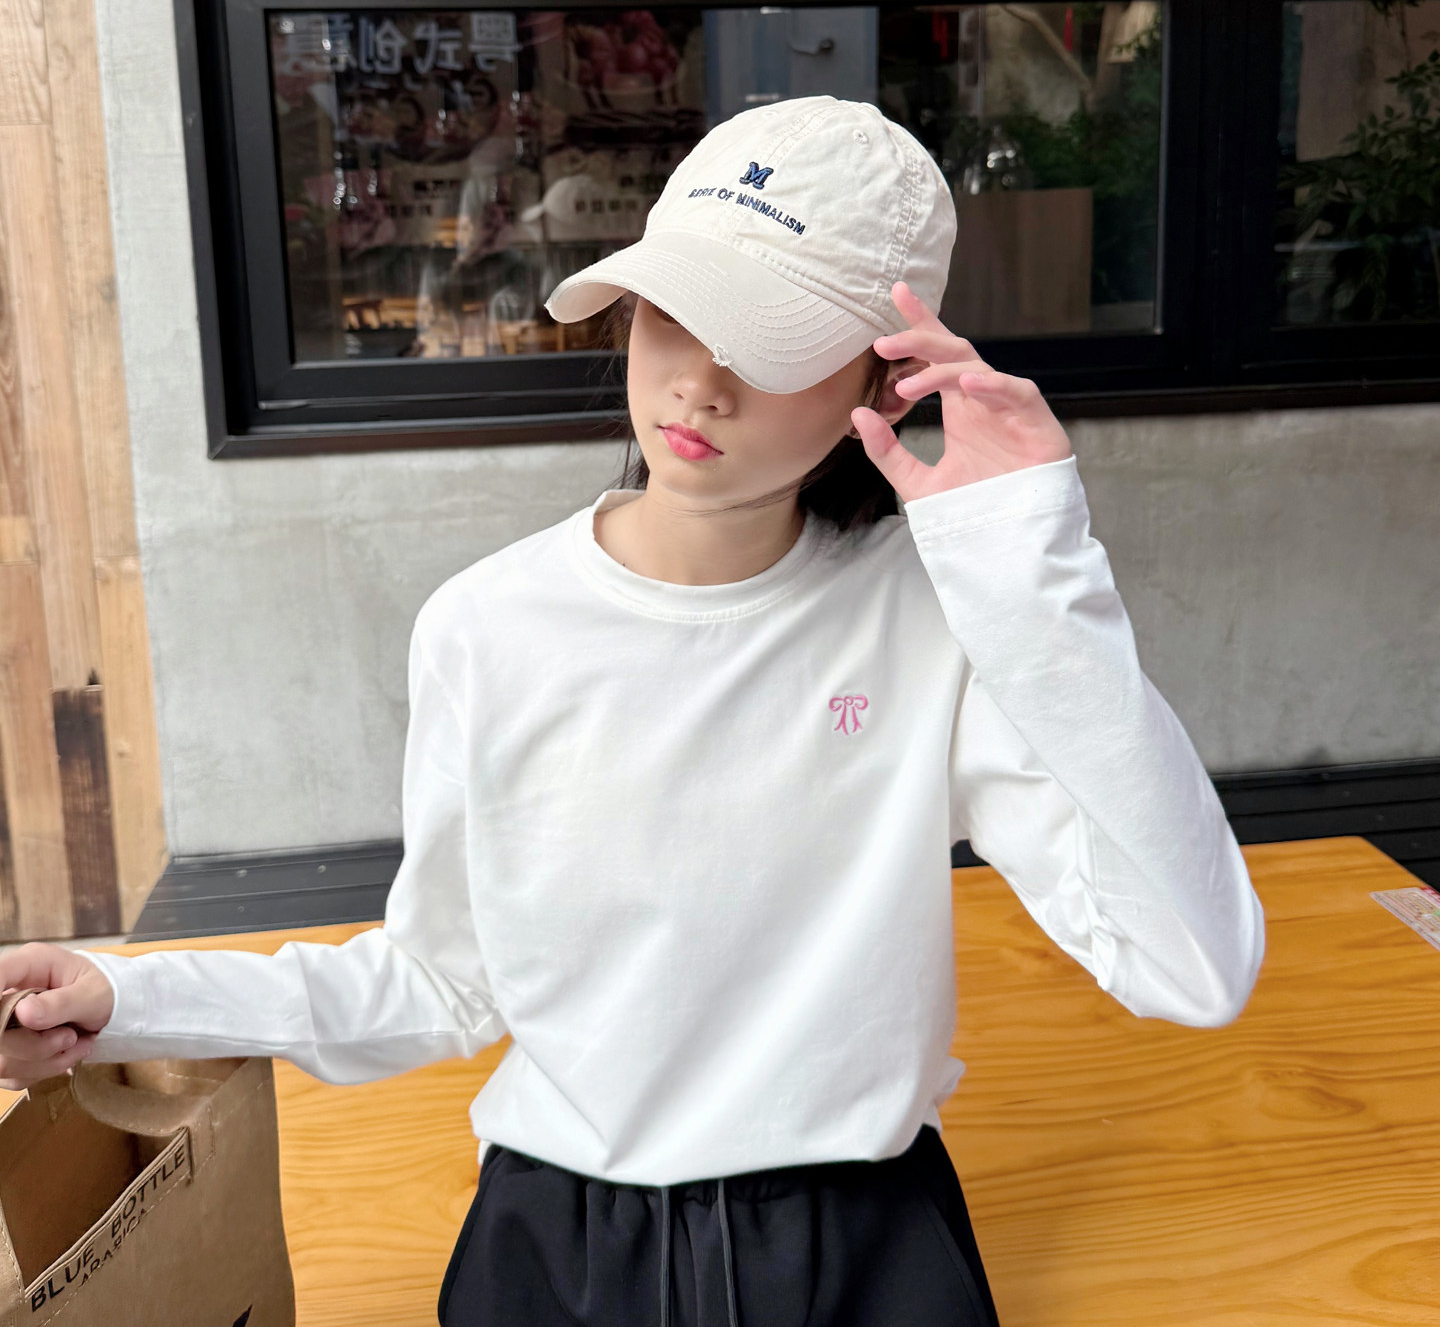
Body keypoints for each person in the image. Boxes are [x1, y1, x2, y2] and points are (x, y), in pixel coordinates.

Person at [0, 96, 1266, 1327]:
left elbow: (1192, 965)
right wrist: (130, 999)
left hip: (864, 1239)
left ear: (888, 383)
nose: (698, 384)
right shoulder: (488, 626)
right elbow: (442, 981)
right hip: (558, 1243)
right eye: (673, 312)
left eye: (766, 342)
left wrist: (1036, 579)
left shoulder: (942, 616)